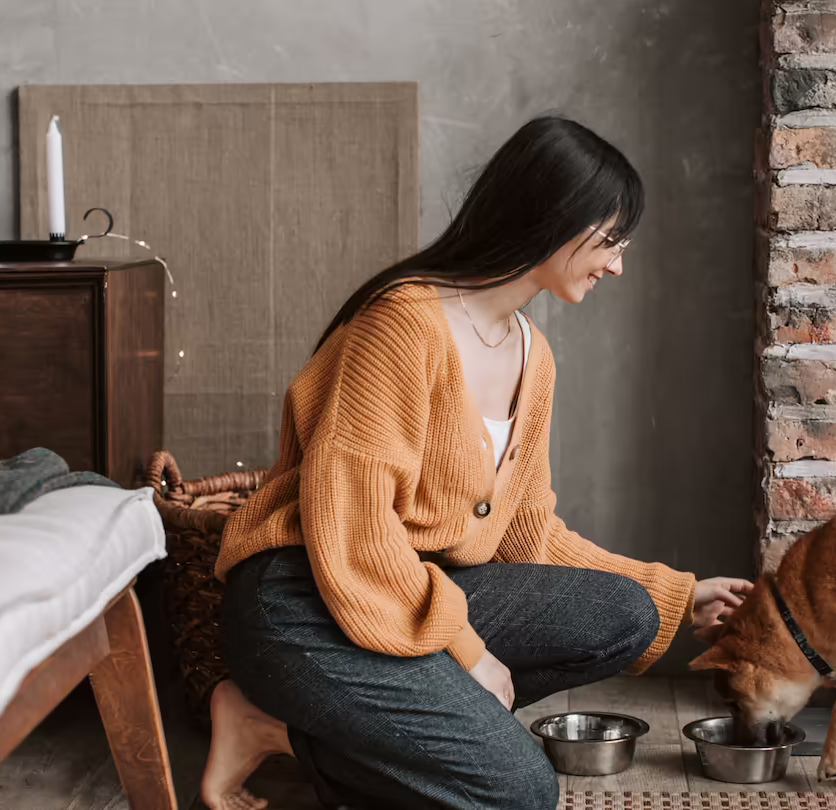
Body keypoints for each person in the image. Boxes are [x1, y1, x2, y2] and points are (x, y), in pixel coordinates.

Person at [198, 115, 754, 810]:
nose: (616, 264)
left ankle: (295, 731)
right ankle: (284, 717)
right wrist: (467, 650)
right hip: (302, 603)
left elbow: (530, 537)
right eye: (609, 241)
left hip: (409, 590)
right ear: (553, 218)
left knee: (631, 616)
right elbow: (359, 536)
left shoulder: (533, 356)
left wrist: (680, 593)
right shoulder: (403, 325)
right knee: (520, 791)